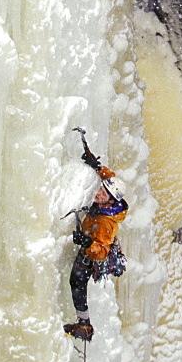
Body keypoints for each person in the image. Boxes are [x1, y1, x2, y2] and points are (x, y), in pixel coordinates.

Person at [63, 143, 128, 342]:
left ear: (110, 201)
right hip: (91, 242)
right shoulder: (109, 201)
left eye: (103, 194)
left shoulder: (105, 222)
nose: (98, 193)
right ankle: (84, 324)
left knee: (77, 281)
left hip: (92, 253)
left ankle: (85, 325)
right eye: (101, 190)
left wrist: (86, 242)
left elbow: (101, 252)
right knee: (76, 281)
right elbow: (109, 178)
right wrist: (96, 165)